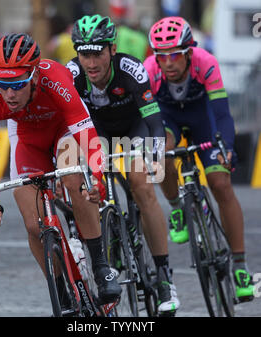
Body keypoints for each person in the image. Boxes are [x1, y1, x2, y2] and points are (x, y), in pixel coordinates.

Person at [0, 33, 122, 308]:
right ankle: (61, 293)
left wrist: (96, 178)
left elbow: (88, 138)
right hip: (29, 139)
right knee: (33, 222)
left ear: (34, 76)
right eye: (3, 84)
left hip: (64, 131)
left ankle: (101, 268)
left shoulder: (55, 78)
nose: (9, 94)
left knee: (74, 176)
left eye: (17, 85)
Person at [67, 14, 180, 316]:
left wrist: (155, 154)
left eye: (98, 53)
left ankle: (165, 276)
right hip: (96, 134)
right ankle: (106, 236)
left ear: (112, 50)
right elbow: (66, 129)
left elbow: (155, 122)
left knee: (142, 186)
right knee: (88, 184)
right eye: (84, 53)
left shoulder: (131, 70)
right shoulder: (72, 74)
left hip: (134, 129)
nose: (91, 63)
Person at [144, 16, 255, 302]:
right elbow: (149, 120)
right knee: (161, 150)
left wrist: (225, 148)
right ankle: (177, 208)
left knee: (220, 183)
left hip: (203, 118)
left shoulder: (206, 62)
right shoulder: (150, 70)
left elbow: (221, 114)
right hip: (168, 116)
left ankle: (241, 266)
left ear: (189, 52)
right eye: (162, 55)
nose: (168, 62)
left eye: (174, 55)